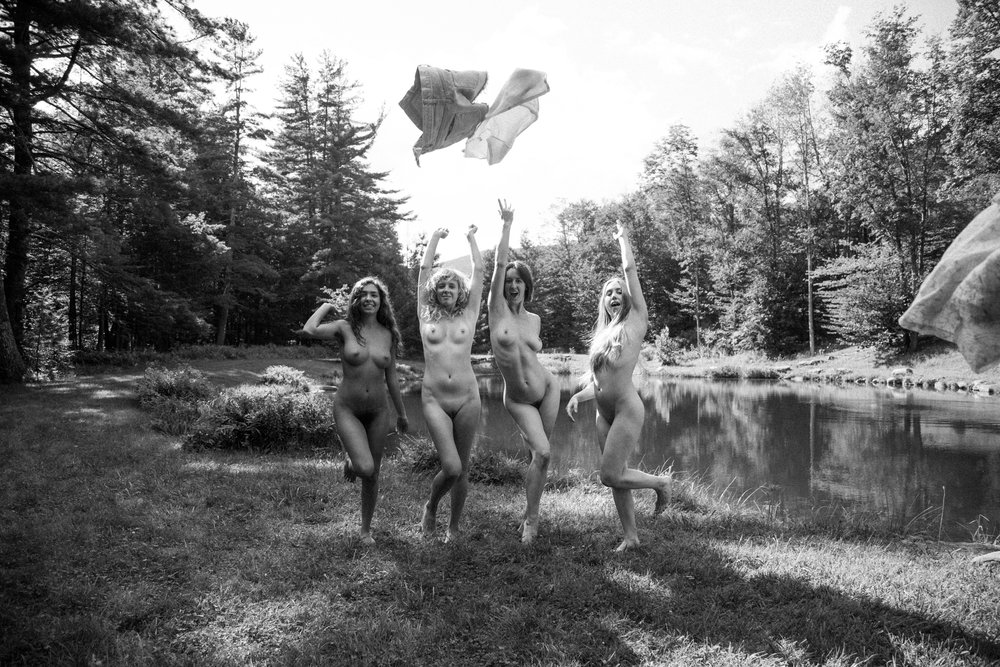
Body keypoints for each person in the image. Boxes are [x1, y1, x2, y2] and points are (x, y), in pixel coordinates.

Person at [566, 221, 672, 552]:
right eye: (608, 293)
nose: (614, 296)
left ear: (628, 297)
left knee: (608, 475)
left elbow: (629, 269)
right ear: (603, 301)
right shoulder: (603, 333)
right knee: (617, 475)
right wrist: (580, 395)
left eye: (618, 291)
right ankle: (631, 536)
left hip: (626, 409)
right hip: (603, 413)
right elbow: (600, 380)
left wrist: (623, 239)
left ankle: (660, 483)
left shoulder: (636, 320)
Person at [303, 277, 408, 545]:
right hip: (348, 407)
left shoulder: (388, 334)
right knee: (364, 466)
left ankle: (365, 530)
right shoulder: (344, 327)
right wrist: (327, 305)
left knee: (373, 474)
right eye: (364, 295)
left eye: (374, 294)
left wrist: (402, 413)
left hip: (378, 411)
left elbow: (392, 378)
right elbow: (310, 329)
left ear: (381, 300)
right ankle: (351, 459)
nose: (369, 299)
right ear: (356, 300)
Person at [487, 199, 558, 543]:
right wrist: (507, 225)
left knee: (540, 457)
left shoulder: (535, 319)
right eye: (509, 281)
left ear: (527, 285)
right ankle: (532, 520)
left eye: (519, 281)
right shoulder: (496, 310)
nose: (513, 285)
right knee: (542, 452)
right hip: (517, 398)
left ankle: (530, 513)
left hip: (548, 389)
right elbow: (499, 263)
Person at [417, 224, 485, 542]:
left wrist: (471, 238)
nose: (446, 289)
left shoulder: (469, 314)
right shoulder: (425, 314)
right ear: (435, 290)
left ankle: (453, 527)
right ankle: (431, 507)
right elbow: (423, 270)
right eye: (442, 285)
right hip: (434, 398)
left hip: (468, 397)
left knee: (463, 468)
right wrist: (434, 238)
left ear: (460, 292)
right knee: (452, 466)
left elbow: (479, 271)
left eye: (452, 286)